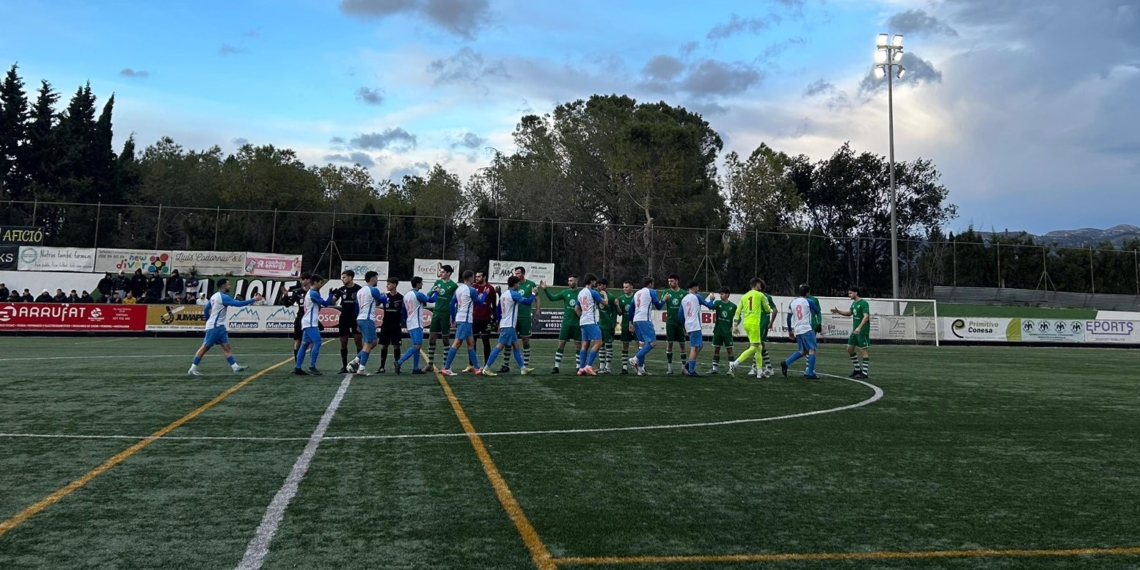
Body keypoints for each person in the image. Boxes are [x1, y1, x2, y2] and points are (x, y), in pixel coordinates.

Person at [187, 278, 262, 376]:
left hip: (219, 326)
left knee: (226, 347)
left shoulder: (214, 296)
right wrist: (254, 299)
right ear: (223, 286)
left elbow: (206, 309)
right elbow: (238, 304)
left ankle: (235, 367)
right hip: (215, 327)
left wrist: (209, 320)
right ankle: (192, 369)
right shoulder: (223, 297)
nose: (229, 286)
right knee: (205, 347)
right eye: (228, 284)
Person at [479, 275, 535, 376]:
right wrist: (533, 293)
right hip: (509, 325)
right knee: (499, 347)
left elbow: (498, 310)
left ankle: (523, 368)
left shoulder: (504, 294)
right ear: (514, 284)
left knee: (516, 346)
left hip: (507, 324)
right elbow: (527, 302)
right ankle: (486, 368)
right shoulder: (514, 294)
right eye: (518, 283)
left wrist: (499, 322)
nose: (519, 285)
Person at [440, 270, 488, 376]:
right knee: (457, 343)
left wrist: (453, 319)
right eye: (473, 277)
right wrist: (485, 294)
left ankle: (477, 368)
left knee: (471, 343)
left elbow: (452, 305)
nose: (474, 279)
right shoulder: (471, 290)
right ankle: (446, 367)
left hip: (462, 318)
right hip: (465, 319)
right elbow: (479, 304)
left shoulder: (459, 289)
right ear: (470, 278)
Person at [345, 271, 390, 376]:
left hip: (361, 318)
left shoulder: (360, 291)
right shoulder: (373, 289)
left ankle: (356, 360)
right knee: (369, 343)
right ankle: (361, 368)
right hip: (367, 318)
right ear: (372, 278)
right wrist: (385, 296)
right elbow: (383, 300)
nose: (377, 280)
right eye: (376, 278)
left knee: (374, 341)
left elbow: (356, 307)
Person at [498, 266, 539, 374]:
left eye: (518, 273)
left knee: (525, 340)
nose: (516, 275)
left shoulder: (531, 284)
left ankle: (525, 365)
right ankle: (505, 365)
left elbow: (536, 299)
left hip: (525, 317)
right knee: (509, 342)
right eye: (515, 273)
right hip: (513, 319)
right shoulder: (512, 288)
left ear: (523, 273)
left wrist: (538, 312)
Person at [729, 278, 773, 379]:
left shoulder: (744, 296)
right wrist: (769, 310)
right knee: (754, 347)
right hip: (754, 324)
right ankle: (735, 364)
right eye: (760, 284)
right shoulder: (760, 295)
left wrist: (735, 325)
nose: (761, 286)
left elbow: (737, 312)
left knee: (759, 347)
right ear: (756, 285)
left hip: (746, 323)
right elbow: (767, 308)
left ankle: (759, 372)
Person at [395, 276, 438, 375]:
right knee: (417, 346)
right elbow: (431, 300)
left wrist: (406, 320)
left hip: (410, 322)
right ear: (418, 284)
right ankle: (399, 362)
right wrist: (437, 292)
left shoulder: (407, 295)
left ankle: (415, 368)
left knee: (416, 346)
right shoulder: (417, 294)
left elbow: (404, 311)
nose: (422, 284)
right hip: (416, 323)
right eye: (421, 283)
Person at [542, 275, 581, 374]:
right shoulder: (565, 292)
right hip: (566, 323)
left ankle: (578, 367)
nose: (569, 282)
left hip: (577, 323)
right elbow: (552, 298)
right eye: (568, 280)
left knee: (578, 345)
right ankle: (556, 366)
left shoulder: (581, 293)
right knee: (561, 343)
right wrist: (545, 289)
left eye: (571, 280)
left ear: (576, 281)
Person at [295, 274, 332, 376]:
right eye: (320, 283)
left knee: (304, 344)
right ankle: (312, 367)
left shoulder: (311, 293)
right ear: (315, 282)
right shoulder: (313, 293)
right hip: (310, 322)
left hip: (308, 321)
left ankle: (298, 367)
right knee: (318, 342)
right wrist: (331, 295)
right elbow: (325, 304)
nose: (321, 285)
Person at [782, 284, 822, 379]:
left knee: (803, 351)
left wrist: (790, 330)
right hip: (807, 328)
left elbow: (788, 318)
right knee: (812, 350)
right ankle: (810, 373)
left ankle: (786, 363)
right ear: (808, 293)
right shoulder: (809, 301)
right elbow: (816, 311)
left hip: (798, 329)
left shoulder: (793, 302)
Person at [627, 277, 665, 375]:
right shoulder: (651, 291)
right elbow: (658, 306)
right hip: (644, 319)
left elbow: (631, 309)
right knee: (652, 342)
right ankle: (634, 359)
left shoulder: (636, 293)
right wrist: (664, 300)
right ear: (650, 284)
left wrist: (630, 322)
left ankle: (641, 369)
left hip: (636, 319)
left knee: (642, 344)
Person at [832, 285, 871, 379]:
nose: (849, 295)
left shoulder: (863, 303)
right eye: (848, 293)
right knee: (849, 349)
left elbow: (866, 316)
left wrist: (860, 327)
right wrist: (839, 312)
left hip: (862, 331)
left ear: (856, 293)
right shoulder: (854, 304)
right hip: (855, 331)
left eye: (851, 293)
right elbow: (849, 313)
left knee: (863, 350)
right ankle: (857, 369)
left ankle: (865, 373)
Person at [425, 264, 458, 372]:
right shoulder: (437, 283)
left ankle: (445, 365)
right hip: (436, 313)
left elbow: (455, 302)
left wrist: (453, 318)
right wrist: (434, 290)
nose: (441, 273)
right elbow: (428, 295)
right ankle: (429, 364)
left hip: (445, 314)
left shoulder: (453, 286)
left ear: (448, 273)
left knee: (445, 339)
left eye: (443, 272)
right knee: (432, 337)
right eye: (440, 271)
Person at [680, 281, 717, 377]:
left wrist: (683, 325)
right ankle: (691, 370)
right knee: (695, 347)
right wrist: (712, 299)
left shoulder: (684, 299)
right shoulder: (697, 296)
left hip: (688, 324)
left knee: (700, 346)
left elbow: (680, 315)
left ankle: (689, 364)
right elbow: (710, 306)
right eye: (698, 287)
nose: (698, 289)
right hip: (695, 324)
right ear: (694, 287)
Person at [332, 270, 364, 374]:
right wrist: (331, 296)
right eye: (342, 277)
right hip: (344, 318)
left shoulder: (359, 289)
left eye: (344, 277)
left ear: (350, 277)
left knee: (358, 341)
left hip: (355, 318)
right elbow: (332, 301)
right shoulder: (341, 290)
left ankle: (358, 365)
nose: (342, 279)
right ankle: (344, 366)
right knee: (343, 341)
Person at [574, 274, 605, 376]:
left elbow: (576, 308)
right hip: (591, 321)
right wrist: (604, 294)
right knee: (599, 342)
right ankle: (588, 366)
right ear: (591, 281)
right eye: (594, 281)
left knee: (585, 345)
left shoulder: (580, 293)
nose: (596, 283)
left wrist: (582, 316)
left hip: (583, 321)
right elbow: (605, 303)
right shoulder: (593, 292)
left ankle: (581, 368)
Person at [659, 274, 687, 375]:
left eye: (672, 281)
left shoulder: (684, 293)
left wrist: (685, 325)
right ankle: (670, 367)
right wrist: (664, 300)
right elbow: (660, 305)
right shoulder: (666, 292)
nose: (670, 283)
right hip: (670, 322)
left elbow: (687, 309)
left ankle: (683, 367)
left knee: (682, 345)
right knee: (669, 344)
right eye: (669, 281)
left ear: (677, 281)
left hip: (680, 323)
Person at [470, 270, 497, 371]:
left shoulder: (490, 288)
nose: (476, 278)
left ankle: (486, 365)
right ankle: (472, 365)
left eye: (479, 276)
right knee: (472, 341)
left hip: (485, 318)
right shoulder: (473, 287)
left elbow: (494, 304)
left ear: (484, 277)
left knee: (486, 342)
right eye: (476, 276)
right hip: (474, 318)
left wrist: (494, 317)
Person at [376, 277, 404, 373]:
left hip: (396, 325)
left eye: (389, 284)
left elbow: (404, 311)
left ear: (394, 285)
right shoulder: (385, 296)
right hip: (386, 325)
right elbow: (376, 303)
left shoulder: (401, 298)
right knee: (384, 346)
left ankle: (397, 365)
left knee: (396, 346)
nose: (387, 286)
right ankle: (382, 366)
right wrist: (380, 297)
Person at [284, 273, 312, 361]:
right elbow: (288, 304)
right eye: (301, 280)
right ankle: (297, 364)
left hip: (310, 319)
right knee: (297, 341)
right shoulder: (298, 292)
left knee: (312, 342)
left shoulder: (313, 292)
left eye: (303, 279)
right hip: (300, 319)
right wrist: (285, 296)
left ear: (308, 280)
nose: (301, 281)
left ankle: (312, 364)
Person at [708, 287, 737, 374]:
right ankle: (714, 368)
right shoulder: (717, 303)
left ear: (727, 295)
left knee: (729, 350)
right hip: (718, 331)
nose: (721, 295)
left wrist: (734, 325)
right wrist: (711, 300)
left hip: (727, 332)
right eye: (720, 294)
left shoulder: (733, 306)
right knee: (716, 349)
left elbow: (737, 317)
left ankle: (731, 369)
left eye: (723, 294)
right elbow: (711, 307)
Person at [757, 281, 779, 377]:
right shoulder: (755, 296)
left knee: (759, 344)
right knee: (758, 344)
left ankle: (767, 368)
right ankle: (766, 367)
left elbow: (775, 309)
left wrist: (771, 322)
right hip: (756, 324)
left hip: (763, 323)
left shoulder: (766, 297)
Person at [596, 278, 618, 374]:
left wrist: (613, 326)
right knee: (600, 345)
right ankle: (601, 366)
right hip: (600, 324)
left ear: (605, 286)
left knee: (609, 346)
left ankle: (608, 367)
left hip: (608, 325)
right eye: (598, 285)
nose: (599, 287)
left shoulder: (611, 297)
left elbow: (614, 313)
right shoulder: (597, 296)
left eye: (601, 285)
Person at [615, 280, 635, 374]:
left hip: (636, 325)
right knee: (625, 345)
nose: (625, 289)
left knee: (640, 345)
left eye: (626, 287)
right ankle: (624, 367)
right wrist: (617, 306)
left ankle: (640, 366)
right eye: (624, 287)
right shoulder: (621, 298)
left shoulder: (636, 297)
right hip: (625, 325)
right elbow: (620, 313)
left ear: (631, 287)